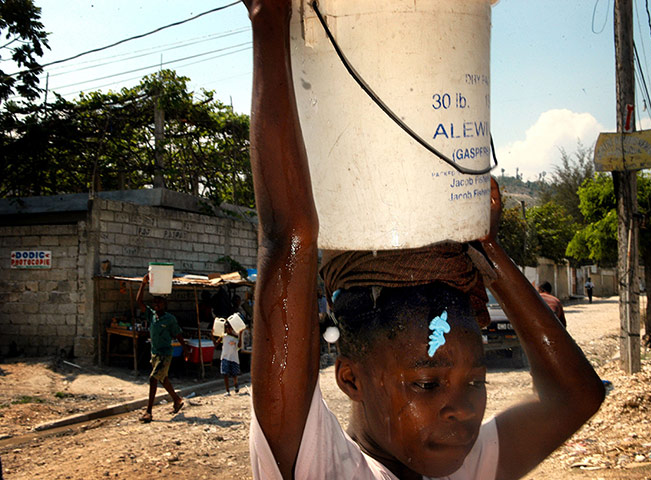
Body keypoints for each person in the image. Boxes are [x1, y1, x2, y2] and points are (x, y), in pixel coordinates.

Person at [243, 2, 605, 479]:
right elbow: (290, 235)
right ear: (350, 378)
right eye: (427, 383)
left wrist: (489, 250)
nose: (464, 410)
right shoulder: (323, 469)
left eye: (476, 380)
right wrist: (269, 23)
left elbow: (579, 397)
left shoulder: (464, 467)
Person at [136, 274, 187, 423]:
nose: (156, 304)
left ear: (164, 304)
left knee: (153, 378)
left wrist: (185, 349)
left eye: (159, 302)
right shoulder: (151, 316)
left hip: (165, 353)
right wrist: (143, 284)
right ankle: (177, 400)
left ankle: (149, 412)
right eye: (155, 302)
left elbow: (178, 335)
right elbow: (139, 301)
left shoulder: (169, 319)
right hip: (155, 352)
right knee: (163, 379)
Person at [214, 320, 243, 395]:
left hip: (234, 358)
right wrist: (212, 335)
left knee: (234, 374)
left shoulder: (235, 338)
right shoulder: (223, 337)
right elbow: (216, 344)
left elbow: (239, 346)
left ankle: (235, 384)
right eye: (226, 328)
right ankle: (227, 391)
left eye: (229, 328)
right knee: (225, 374)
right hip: (225, 357)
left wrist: (240, 335)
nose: (228, 330)